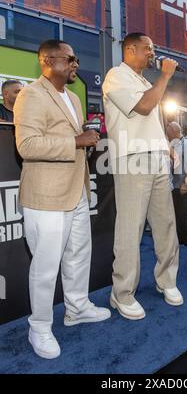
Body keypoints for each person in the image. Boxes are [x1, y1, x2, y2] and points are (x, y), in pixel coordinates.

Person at [13, 39, 111, 360]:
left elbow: (70, 139)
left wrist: (84, 138)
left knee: (79, 253)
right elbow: (27, 145)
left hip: (76, 189)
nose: (76, 65)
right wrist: (76, 140)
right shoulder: (30, 95)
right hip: (46, 194)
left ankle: (77, 307)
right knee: (45, 265)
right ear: (49, 60)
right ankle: (39, 326)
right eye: (71, 59)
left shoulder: (72, 97)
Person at [102, 32, 183, 320]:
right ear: (130, 49)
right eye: (148, 48)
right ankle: (121, 293)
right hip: (132, 158)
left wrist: (167, 147)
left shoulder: (147, 82)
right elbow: (145, 106)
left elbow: (154, 120)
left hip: (157, 158)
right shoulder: (116, 75)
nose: (153, 53)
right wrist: (165, 77)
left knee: (166, 225)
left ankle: (167, 280)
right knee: (130, 229)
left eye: (153, 48)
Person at [166, 121, 187, 246]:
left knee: (182, 215)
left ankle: (186, 242)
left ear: (174, 131)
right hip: (174, 185)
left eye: (168, 131)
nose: (167, 134)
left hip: (182, 185)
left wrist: (185, 184)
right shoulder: (175, 144)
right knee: (176, 215)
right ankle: (179, 241)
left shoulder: (186, 144)